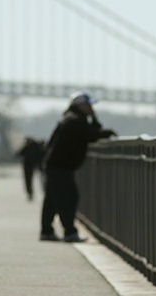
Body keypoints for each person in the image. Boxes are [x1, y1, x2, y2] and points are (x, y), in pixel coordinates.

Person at [39, 91, 117, 242]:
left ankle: (46, 231)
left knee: (53, 200)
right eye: (89, 105)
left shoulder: (70, 118)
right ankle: (69, 232)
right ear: (80, 105)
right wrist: (107, 132)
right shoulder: (74, 121)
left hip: (55, 165)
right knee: (69, 198)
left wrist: (93, 118)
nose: (91, 108)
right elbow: (91, 135)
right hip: (61, 167)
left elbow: (91, 131)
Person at [15, 137, 45, 201]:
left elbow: (19, 154)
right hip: (36, 166)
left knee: (28, 181)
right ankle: (43, 192)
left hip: (28, 166)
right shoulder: (37, 147)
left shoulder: (28, 147)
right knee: (42, 180)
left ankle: (30, 193)